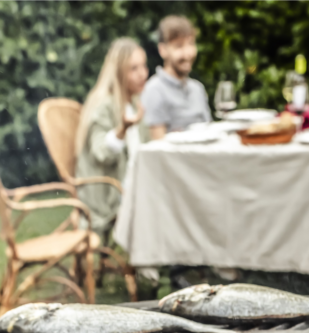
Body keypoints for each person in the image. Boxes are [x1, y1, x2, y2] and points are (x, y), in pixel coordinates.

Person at [75, 38, 149, 238]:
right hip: (109, 198)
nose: (143, 73)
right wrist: (122, 130)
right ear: (118, 73)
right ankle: (149, 267)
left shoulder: (133, 103)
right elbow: (101, 152)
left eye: (144, 65)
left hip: (132, 187)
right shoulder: (103, 105)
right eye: (134, 68)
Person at [141, 15, 211, 140]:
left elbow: (210, 133)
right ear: (163, 50)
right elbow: (159, 149)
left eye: (190, 44)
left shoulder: (197, 89)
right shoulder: (154, 90)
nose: (188, 53)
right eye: (179, 46)